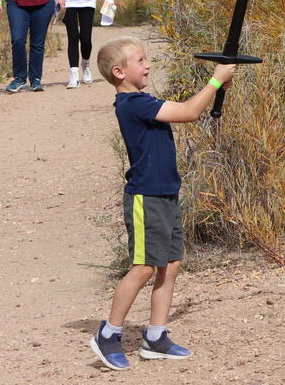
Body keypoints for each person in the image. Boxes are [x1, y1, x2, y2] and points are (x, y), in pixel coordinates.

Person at [89, 36, 236, 370]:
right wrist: (216, 79)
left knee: (169, 265)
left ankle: (155, 337)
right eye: (140, 60)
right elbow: (188, 111)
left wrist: (218, 85)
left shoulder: (143, 99)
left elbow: (191, 111)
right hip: (145, 198)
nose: (148, 65)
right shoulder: (132, 104)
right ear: (119, 71)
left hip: (166, 193)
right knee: (142, 268)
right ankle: (108, 334)